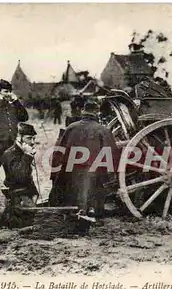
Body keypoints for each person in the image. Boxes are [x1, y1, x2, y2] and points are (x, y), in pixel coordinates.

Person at [48, 99, 119, 234]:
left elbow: (59, 152)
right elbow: (112, 156)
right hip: (92, 174)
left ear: (83, 112)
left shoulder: (71, 128)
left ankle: (71, 216)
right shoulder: (103, 130)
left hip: (71, 172)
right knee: (91, 195)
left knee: (73, 197)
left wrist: (57, 175)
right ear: (96, 113)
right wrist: (111, 178)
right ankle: (88, 218)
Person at [0, 80, 29, 201]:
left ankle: (12, 194)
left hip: (11, 142)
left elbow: (24, 117)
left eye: (9, 91)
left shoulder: (13, 105)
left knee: (13, 169)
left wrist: (16, 101)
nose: (8, 94)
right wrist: (0, 100)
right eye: (5, 91)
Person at [0, 123, 39, 229]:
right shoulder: (10, 154)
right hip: (16, 194)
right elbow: (20, 176)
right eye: (29, 138)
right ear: (19, 137)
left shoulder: (22, 151)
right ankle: (7, 215)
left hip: (26, 193)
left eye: (33, 138)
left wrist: (34, 193)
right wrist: (27, 156)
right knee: (27, 223)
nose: (32, 142)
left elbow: (28, 177)